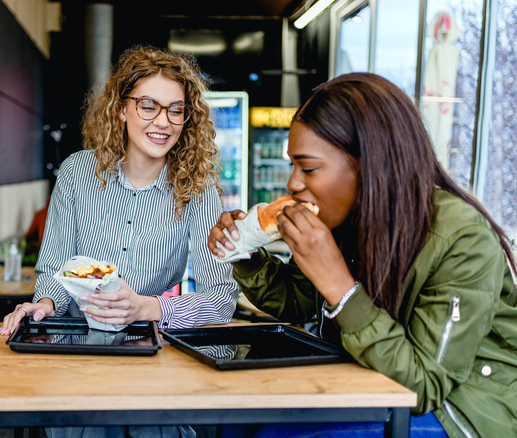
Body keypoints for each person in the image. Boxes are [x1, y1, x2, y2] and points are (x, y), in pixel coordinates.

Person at [208, 73, 517, 438]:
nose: (293, 183)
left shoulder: (462, 238)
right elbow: (296, 302)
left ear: (369, 164)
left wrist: (341, 286)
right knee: (231, 422)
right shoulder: (346, 217)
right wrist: (244, 253)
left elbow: (425, 386)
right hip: (364, 379)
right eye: (292, 165)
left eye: (308, 167)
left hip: (459, 411)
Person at [0, 45, 240, 437]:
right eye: (148, 105)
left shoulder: (198, 190)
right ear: (120, 108)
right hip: (77, 355)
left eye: (176, 109)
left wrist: (147, 307)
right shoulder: (77, 173)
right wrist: (42, 305)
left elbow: (221, 300)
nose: (163, 121)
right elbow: (53, 271)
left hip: (152, 360)